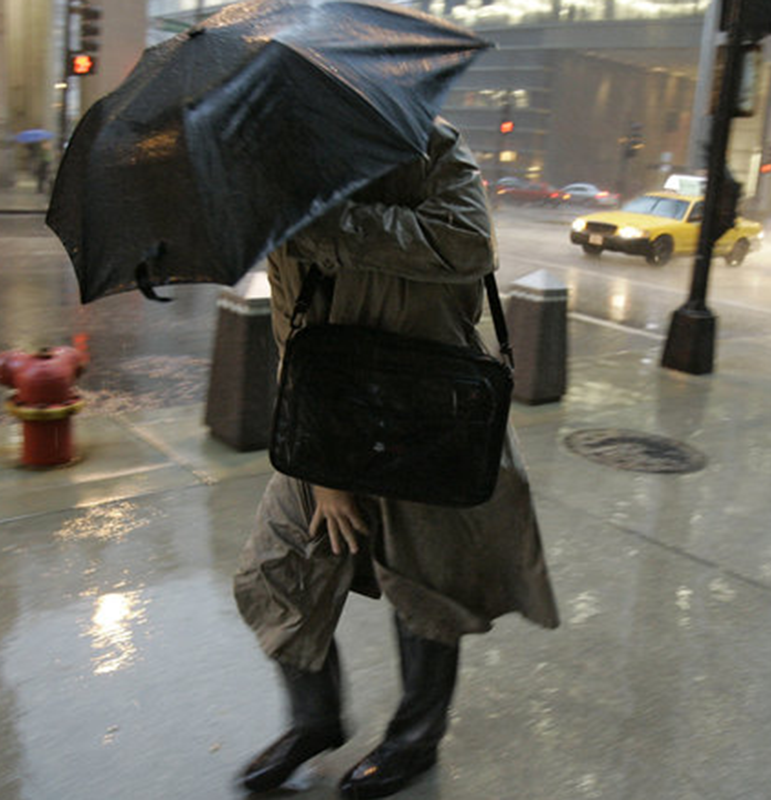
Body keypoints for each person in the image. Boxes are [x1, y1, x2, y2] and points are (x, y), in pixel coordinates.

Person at [232, 117, 560, 799]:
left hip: (429, 406)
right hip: (330, 408)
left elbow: (465, 243)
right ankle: (314, 722)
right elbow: (291, 330)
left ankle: (414, 740)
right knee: (276, 568)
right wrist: (322, 474)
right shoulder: (286, 180)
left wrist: (329, 228)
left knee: (426, 589)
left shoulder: (429, 145)